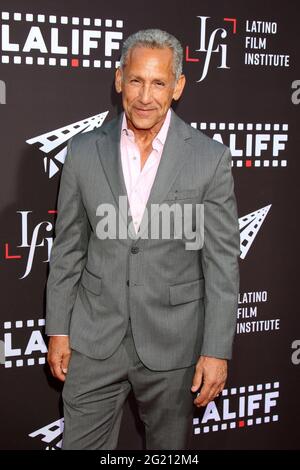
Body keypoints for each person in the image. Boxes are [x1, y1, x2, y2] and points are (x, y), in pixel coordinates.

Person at [46, 28, 240, 450]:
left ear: (178, 86)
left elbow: (223, 263)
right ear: (119, 80)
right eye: (135, 80)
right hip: (94, 340)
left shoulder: (209, 158)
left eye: (158, 82)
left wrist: (217, 350)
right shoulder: (81, 152)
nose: (145, 96)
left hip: (175, 345)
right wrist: (58, 329)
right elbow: (68, 249)